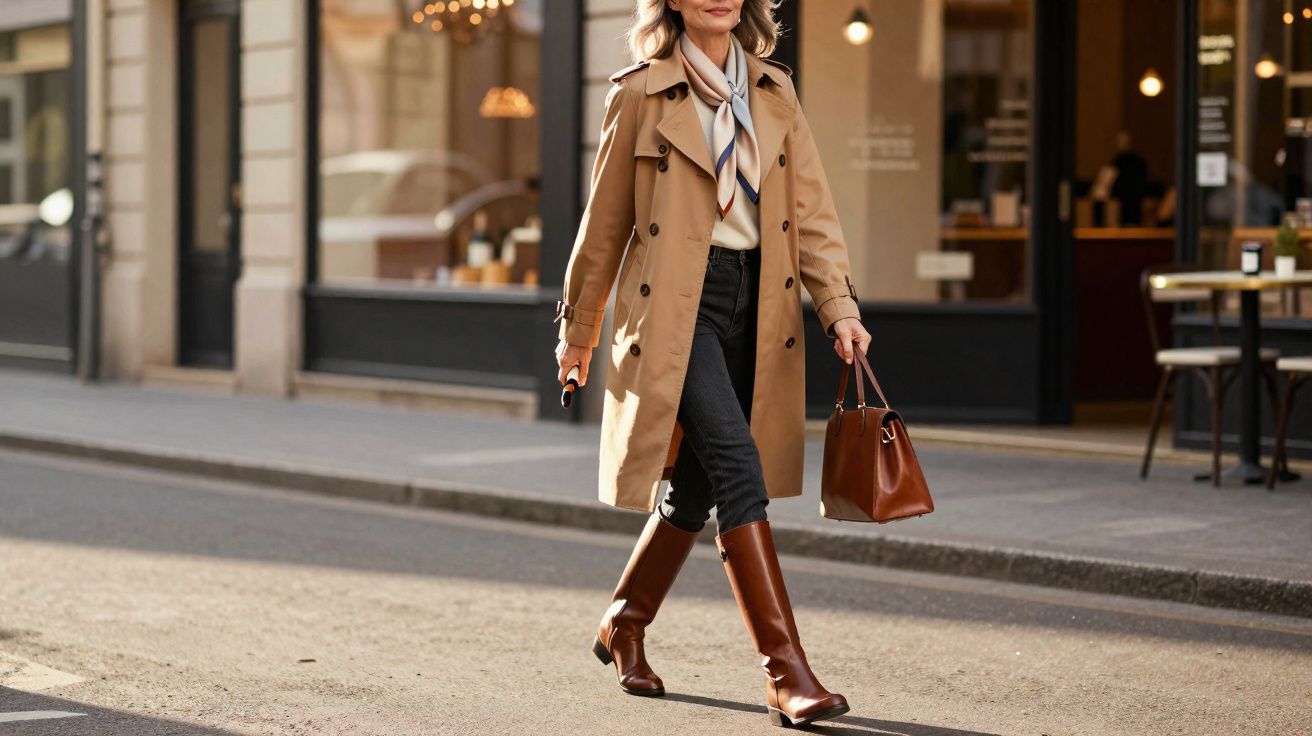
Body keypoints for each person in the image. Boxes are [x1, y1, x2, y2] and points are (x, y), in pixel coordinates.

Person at [552, 0, 870, 728]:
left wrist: (839, 307)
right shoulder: (639, 92)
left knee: (694, 489)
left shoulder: (773, 90)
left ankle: (624, 622)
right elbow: (604, 224)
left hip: (758, 304)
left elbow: (811, 210)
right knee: (737, 467)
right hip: (674, 309)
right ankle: (786, 673)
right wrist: (579, 328)